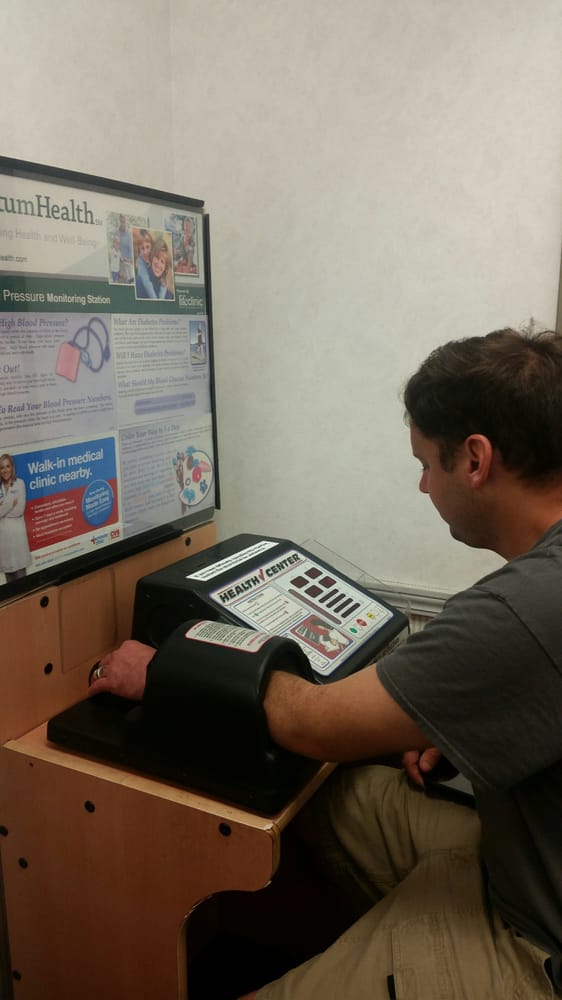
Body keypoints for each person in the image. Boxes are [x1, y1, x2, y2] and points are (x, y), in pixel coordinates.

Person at [89, 328, 562, 999]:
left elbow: (314, 722)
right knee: (334, 797)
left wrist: (167, 668)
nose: (423, 484)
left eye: (427, 464)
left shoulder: (526, 605)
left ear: (476, 459)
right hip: (525, 847)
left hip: (535, 939)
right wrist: (463, 723)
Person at [0, 453, 32, 583]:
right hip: (4, 540)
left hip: (17, 538)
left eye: (7, 466)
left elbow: (19, 510)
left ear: (12, 467)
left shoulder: (19, 484)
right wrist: (10, 504)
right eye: (2, 467)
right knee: (9, 581)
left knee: (21, 579)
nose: (5, 470)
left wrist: (3, 507)